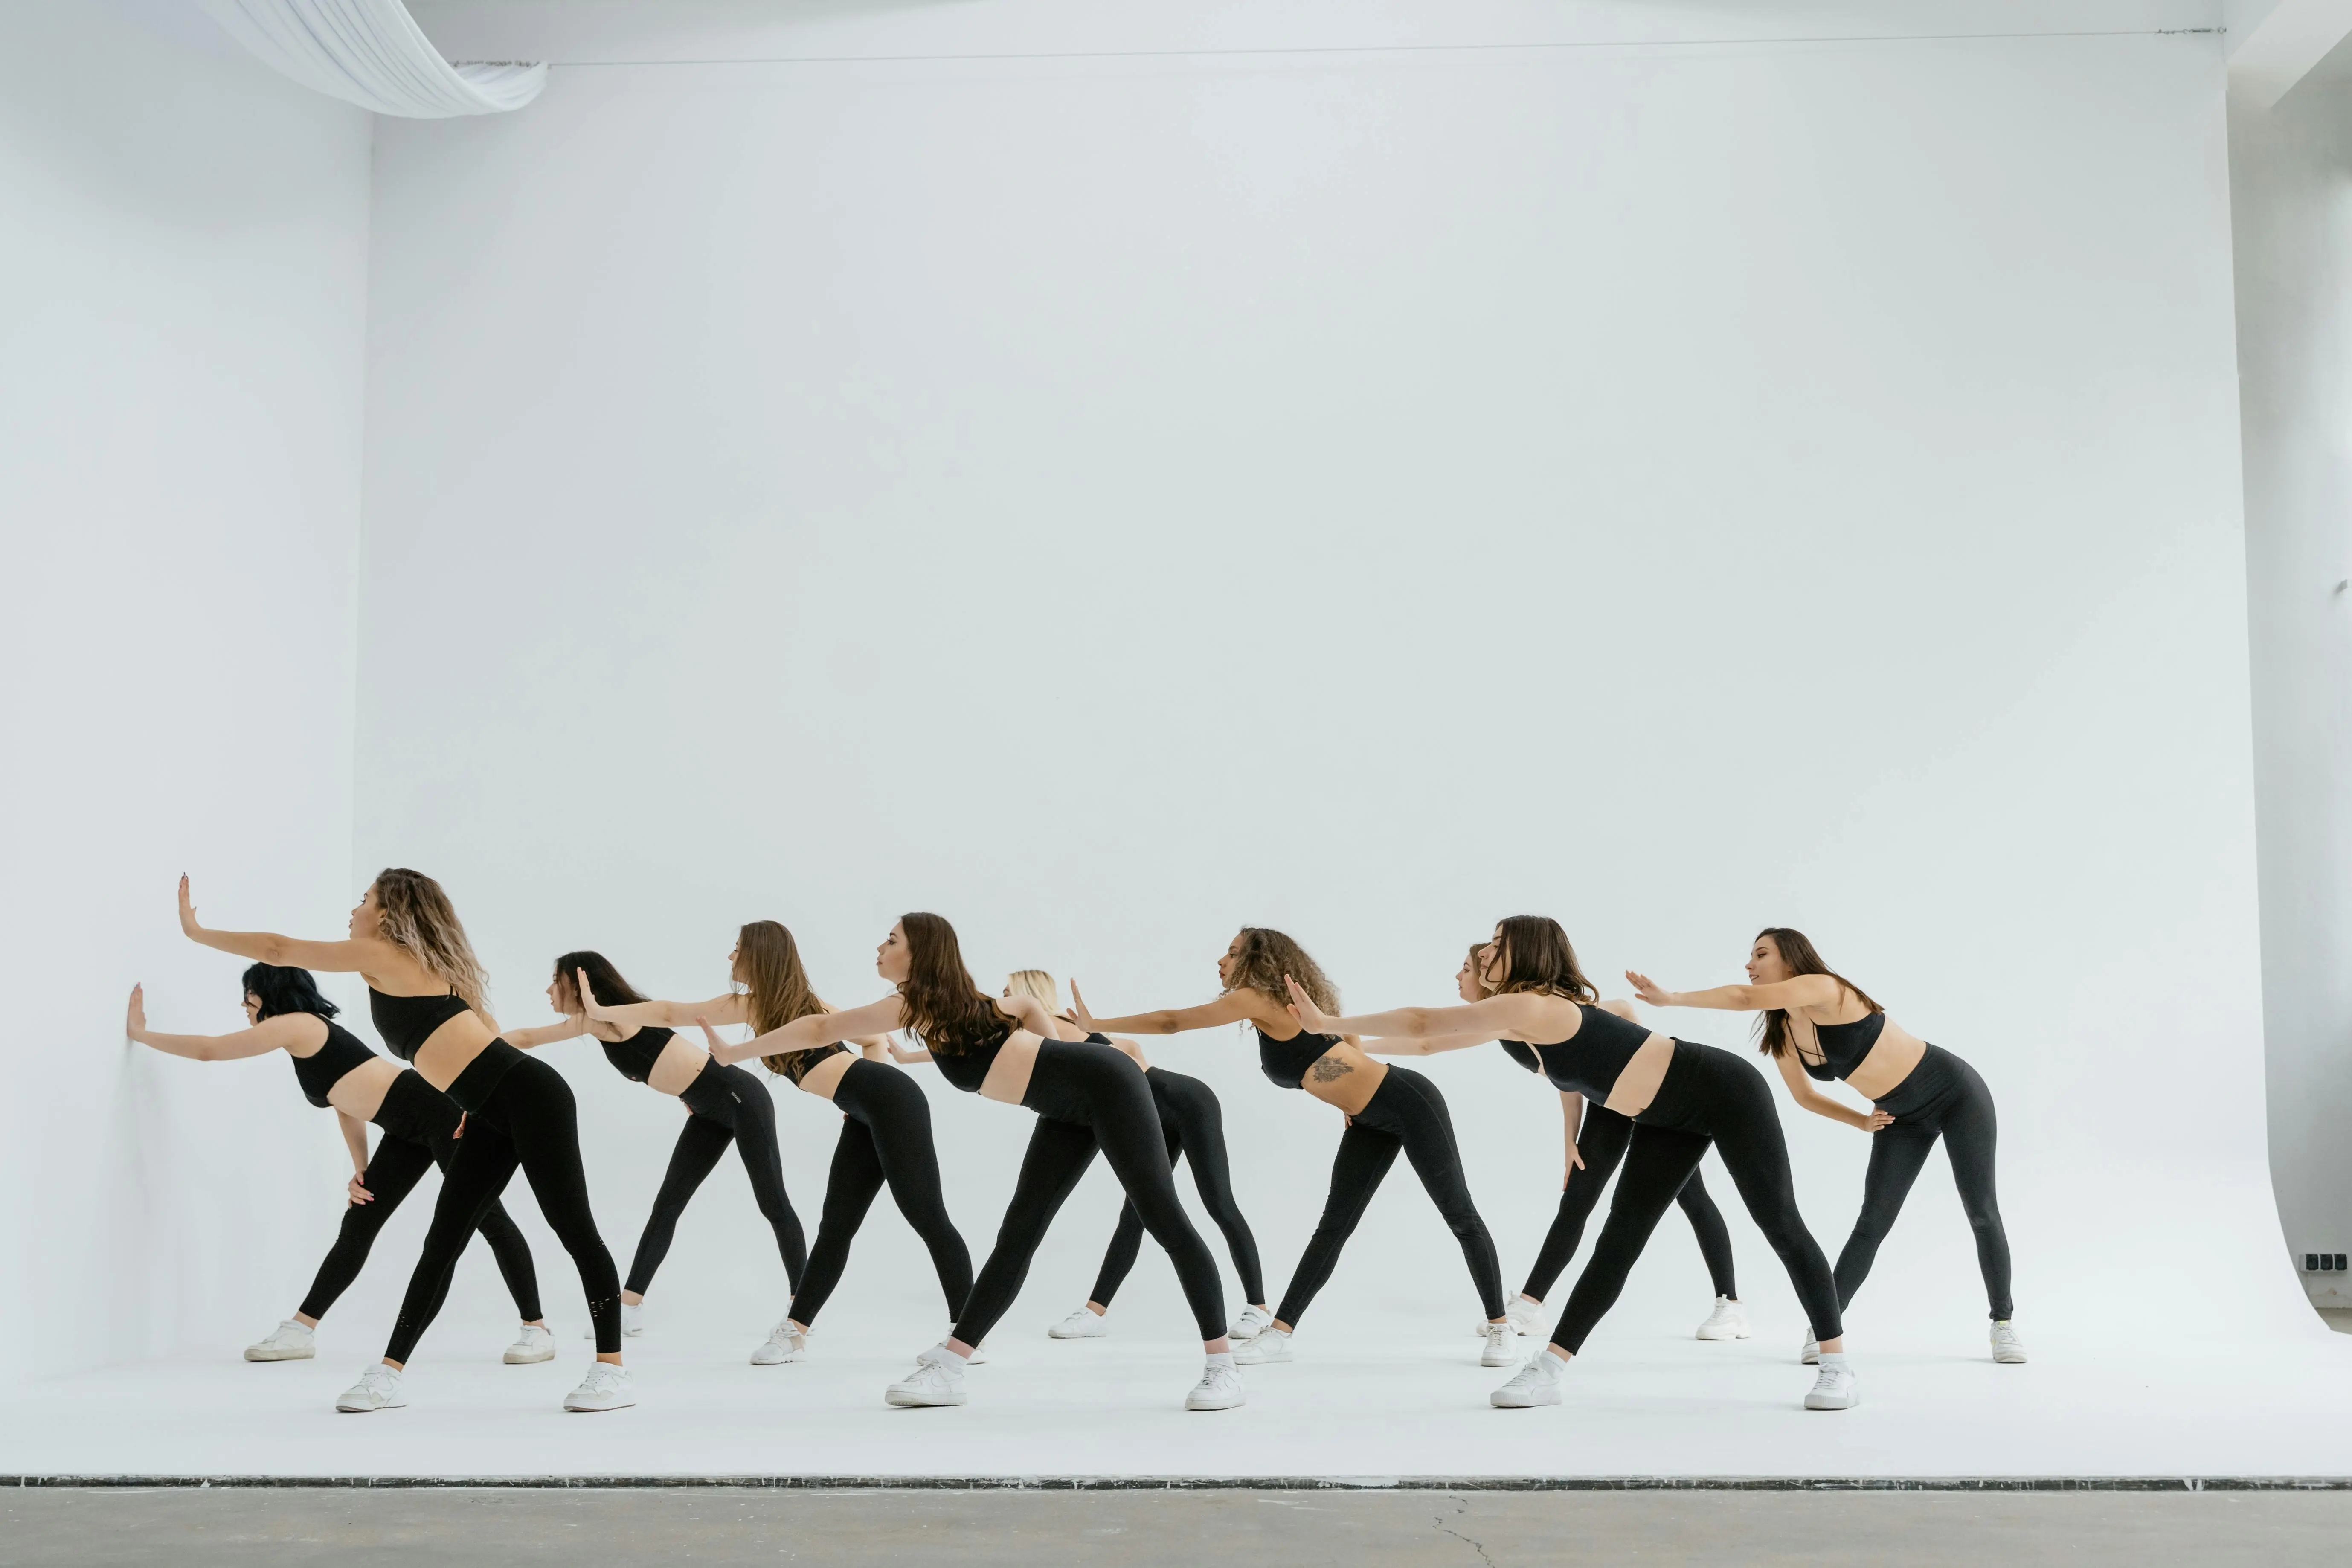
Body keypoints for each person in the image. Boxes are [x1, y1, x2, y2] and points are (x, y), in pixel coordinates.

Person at [1287, 916, 1859, 1411]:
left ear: (1528, 953)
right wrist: (1347, 1049)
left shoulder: (1534, 1005)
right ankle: (1551, 1369)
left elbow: (1421, 1022)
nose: (1484, 952)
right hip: (1660, 1117)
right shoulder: (1511, 1021)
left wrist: (1329, 1025)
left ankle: (1835, 1363)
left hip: (1724, 1090)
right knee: (1619, 1239)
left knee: (1778, 1223)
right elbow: (1429, 1044)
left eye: (1496, 941)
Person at [704, 914, 1241, 1412]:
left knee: (1163, 1217)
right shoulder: (943, 1005)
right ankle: (952, 1364)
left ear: (921, 955)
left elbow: (822, 1030)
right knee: (1019, 1231)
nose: (880, 947)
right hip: (1065, 1107)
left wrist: (733, 1055)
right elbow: (1027, 1009)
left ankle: (1223, 1367)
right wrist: (1051, 1063)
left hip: (1108, 1085)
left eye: (891, 941)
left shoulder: (924, 1001)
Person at [175, 869, 631, 1413]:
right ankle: (388, 1374)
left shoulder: (384, 954)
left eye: (363, 900)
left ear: (388, 913)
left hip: (534, 1097)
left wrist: (197, 933)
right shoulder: (427, 968)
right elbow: (484, 1035)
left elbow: (279, 948)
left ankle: (611, 1370)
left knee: (573, 1228)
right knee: (443, 1242)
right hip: (485, 1111)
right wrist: (469, 1105)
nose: (355, 909)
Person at [1072, 927, 1513, 1370]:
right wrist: (1350, 1102)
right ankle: (1281, 1332)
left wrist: (1099, 1025)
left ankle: (1500, 1325)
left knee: (1458, 1212)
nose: (1221, 962)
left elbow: (1175, 1021)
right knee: (1333, 1226)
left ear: (1255, 960)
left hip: (1410, 1101)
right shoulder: (1282, 1002)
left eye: (1231, 953)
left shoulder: (1255, 997)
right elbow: (1345, 1044)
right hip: (1369, 1119)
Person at [573, 922, 972, 1365]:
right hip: (865, 1109)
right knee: (836, 1224)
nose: (730, 957)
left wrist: (867, 1091)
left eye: (738, 948)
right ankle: (795, 1332)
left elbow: (874, 1038)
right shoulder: (752, 1005)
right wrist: (604, 1010)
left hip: (892, 1100)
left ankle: (967, 1331)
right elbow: (669, 1013)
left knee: (926, 1215)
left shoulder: (810, 1004)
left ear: (759, 954)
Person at [1628, 927, 2021, 1364]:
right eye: (1750, 956)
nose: (1750, 964)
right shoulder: (1783, 1033)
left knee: (1981, 1211)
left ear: (1791, 960)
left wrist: (1672, 997)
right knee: (1872, 1223)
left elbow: (1742, 998)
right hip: (1898, 1117)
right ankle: (1825, 1326)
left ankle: (2002, 1324)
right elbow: (1805, 1097)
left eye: (1761, 954)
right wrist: (1861, 1120)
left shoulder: (1826, 988)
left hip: (1955, 1093)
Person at [123, 965, 550, 1367]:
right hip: (404, 1127)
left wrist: (141, 1034)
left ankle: (537, 1329)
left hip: (435, 1112)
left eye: (248, 995)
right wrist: (361, 1169)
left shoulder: (299, 1024)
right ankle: (301, 1329)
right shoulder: (303, 1041)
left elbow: (209, 1050)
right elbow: (344, 1103)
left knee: (488, 1218)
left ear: (272, 992)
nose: (244, 1005)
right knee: (360, 1223)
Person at [1366, 944, 1745, 1344]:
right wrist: (1570, 1140)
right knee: (1580, 1197)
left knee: (1693, 1198)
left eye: (1467, 968)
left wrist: (1647, 1087)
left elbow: (1621, 1013)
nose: (1459, 977)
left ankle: (1731, 1305)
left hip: (1655, 1097)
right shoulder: (1501, 1023)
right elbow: (1566, 1076)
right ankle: (1531, 1305)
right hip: (1610, 1104)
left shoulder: (1540, 1007)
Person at [501, 946, 810, 1354]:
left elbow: (531, 1037)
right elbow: (530, 1038)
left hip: (740, 1099)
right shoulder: (601, 1023)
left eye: (555, 983)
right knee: (667, 1205)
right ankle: (630, 1306)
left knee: (772, 1201)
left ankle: (803, 1305)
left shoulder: (615, 1018)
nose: (548, 991)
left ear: (580, 986)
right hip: (706, 1110)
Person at [1000, 969, 1270, 1342]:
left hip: (1187, 1100)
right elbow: (1126, 1050)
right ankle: (1095, 1312)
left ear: (1026, 994)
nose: (1002, 999)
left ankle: (1258, 1308)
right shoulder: (1052, 1030)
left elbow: (1115, 1057)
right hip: (1147, 1114)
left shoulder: (1049, 1029)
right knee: (1137, 1214)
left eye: (1007, 992)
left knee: (1219, 1203)